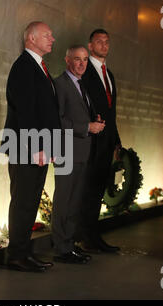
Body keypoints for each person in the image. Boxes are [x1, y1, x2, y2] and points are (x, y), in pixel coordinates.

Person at [0, 21, 61, 272]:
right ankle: (16, 256)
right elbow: (26, 111)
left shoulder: (39, 67)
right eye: (47, 35)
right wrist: (36, 146)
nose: (53, 38)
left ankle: (24, 253)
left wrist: (52, 147)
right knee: (23, 201)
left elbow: (45, 112)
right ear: (32, 38)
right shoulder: (24, 66)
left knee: (31, 201)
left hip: (38, 148)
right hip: (26, 148)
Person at [52, 45, 105, 264]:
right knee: (64, 201)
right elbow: (57, 119)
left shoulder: (82, 84)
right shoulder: (59, 84)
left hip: (83, 151)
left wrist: (95, 121)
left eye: (84, 59)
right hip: (66, 151)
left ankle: (69, 245)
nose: (82, 63)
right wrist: (86, 127)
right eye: (77, 59)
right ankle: (61, 249)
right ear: (67, 60)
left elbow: (81, 114)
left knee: (75, 202)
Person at [76, 29, 121, 253]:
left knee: (97, 191)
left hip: (106, 142)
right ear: (90, 46)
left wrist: (116, 140)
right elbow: (78, 103)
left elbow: (111, 111)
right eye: (99, 42)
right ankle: (86, 237)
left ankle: (94, 237)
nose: (104, 45)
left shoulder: (109, 75)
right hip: (89, 140)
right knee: (87, 191)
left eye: (107, 41)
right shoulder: (84, 71)